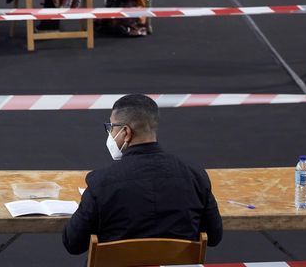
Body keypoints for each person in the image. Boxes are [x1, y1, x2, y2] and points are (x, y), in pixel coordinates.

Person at [63, 94, 223, 255]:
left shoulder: (101, 184)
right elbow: (214, 236)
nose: (110, 133)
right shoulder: (195, 175)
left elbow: (73, 243)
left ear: (126, 132)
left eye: (111, 127)